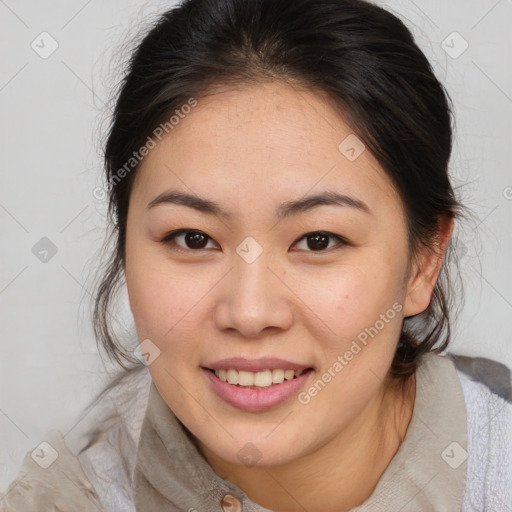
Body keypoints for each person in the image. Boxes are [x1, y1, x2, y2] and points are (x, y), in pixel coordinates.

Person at [1, 0, 511, 510]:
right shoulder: (66, 497)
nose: (249, 313)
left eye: (318, 240)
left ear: (424, 261)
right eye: (193, 238)